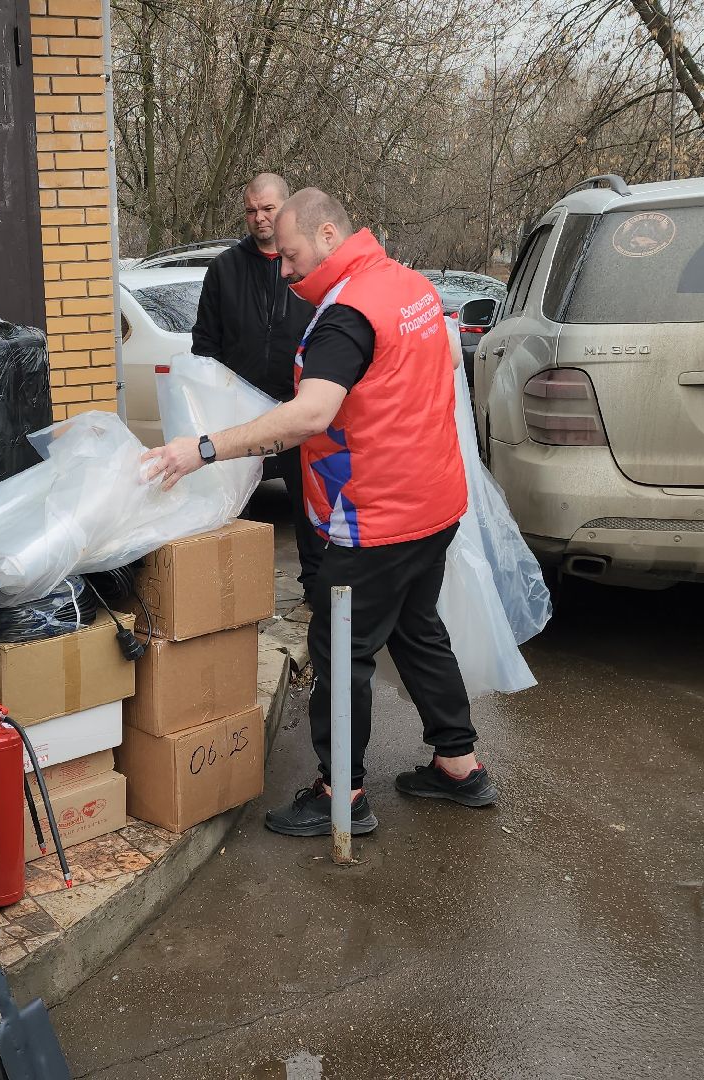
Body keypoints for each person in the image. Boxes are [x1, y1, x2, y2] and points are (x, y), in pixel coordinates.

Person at [145, 188, 491, 837]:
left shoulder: (345, 316)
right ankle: (458, 765)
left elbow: (308, 415)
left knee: (340, 648)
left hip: (376, 516)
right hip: (434, 502)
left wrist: (205, 448)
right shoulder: (408, 286)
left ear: (328, 234)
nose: (283, 269)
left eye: (292, 254)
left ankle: (341, 795)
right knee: (416, 628)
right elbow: (441, 360)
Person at [190, 173, 320, 591]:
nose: (259, 218)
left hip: (297, 409)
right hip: (238, 413)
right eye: (251, 210)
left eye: (268, 209)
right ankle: (231, 596)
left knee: (310, 509)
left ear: (287, 209)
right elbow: (204, 346)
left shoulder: (307, 267)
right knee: (229, 509)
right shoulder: (225, 270)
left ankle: (316, 592)